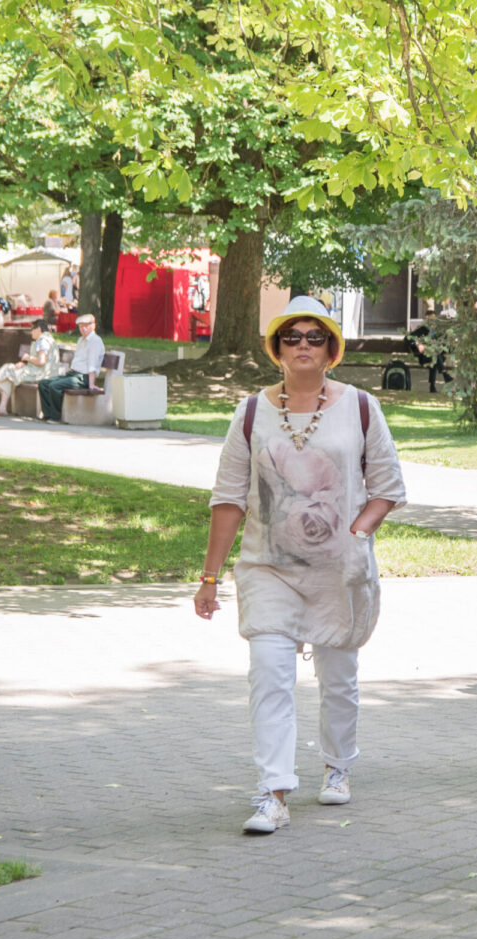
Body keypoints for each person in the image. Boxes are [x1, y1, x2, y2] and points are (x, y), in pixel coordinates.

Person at [193, 295, 406, 834]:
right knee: (268, 675)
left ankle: (338, 765)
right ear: (277, 348)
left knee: (338, 678)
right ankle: (272, 792)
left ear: (331, 349)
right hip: (268, 566)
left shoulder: (360, 407)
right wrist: (210, 577)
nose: (304, 345)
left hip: (339, 571)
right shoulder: (250, 412)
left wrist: (357, 533)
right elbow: (228, 498)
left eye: (315, 337)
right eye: (293, 337)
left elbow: (387, 489)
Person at [0, 319, 59, 416]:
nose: (31, 331)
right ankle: (2, 408)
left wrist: (28, 358)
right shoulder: (49, 339)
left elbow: (41, 361)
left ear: (39, 329)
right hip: (41, 372)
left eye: (32, 329)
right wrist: (25, 363)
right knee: (8, 372)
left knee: (7, 369)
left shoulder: (42, 340)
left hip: (41, 374)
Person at [38, 314, 105, 422]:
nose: (83, 328)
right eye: (81, 326)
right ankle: (48, 415)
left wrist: (91, 384)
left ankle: (56, 417)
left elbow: (92, 364)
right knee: (43, 383)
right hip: (73, 374)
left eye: (86, 325)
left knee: (54, 386)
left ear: (94, 326)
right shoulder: (81, 340)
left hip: (83, 377)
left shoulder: (94, 341)